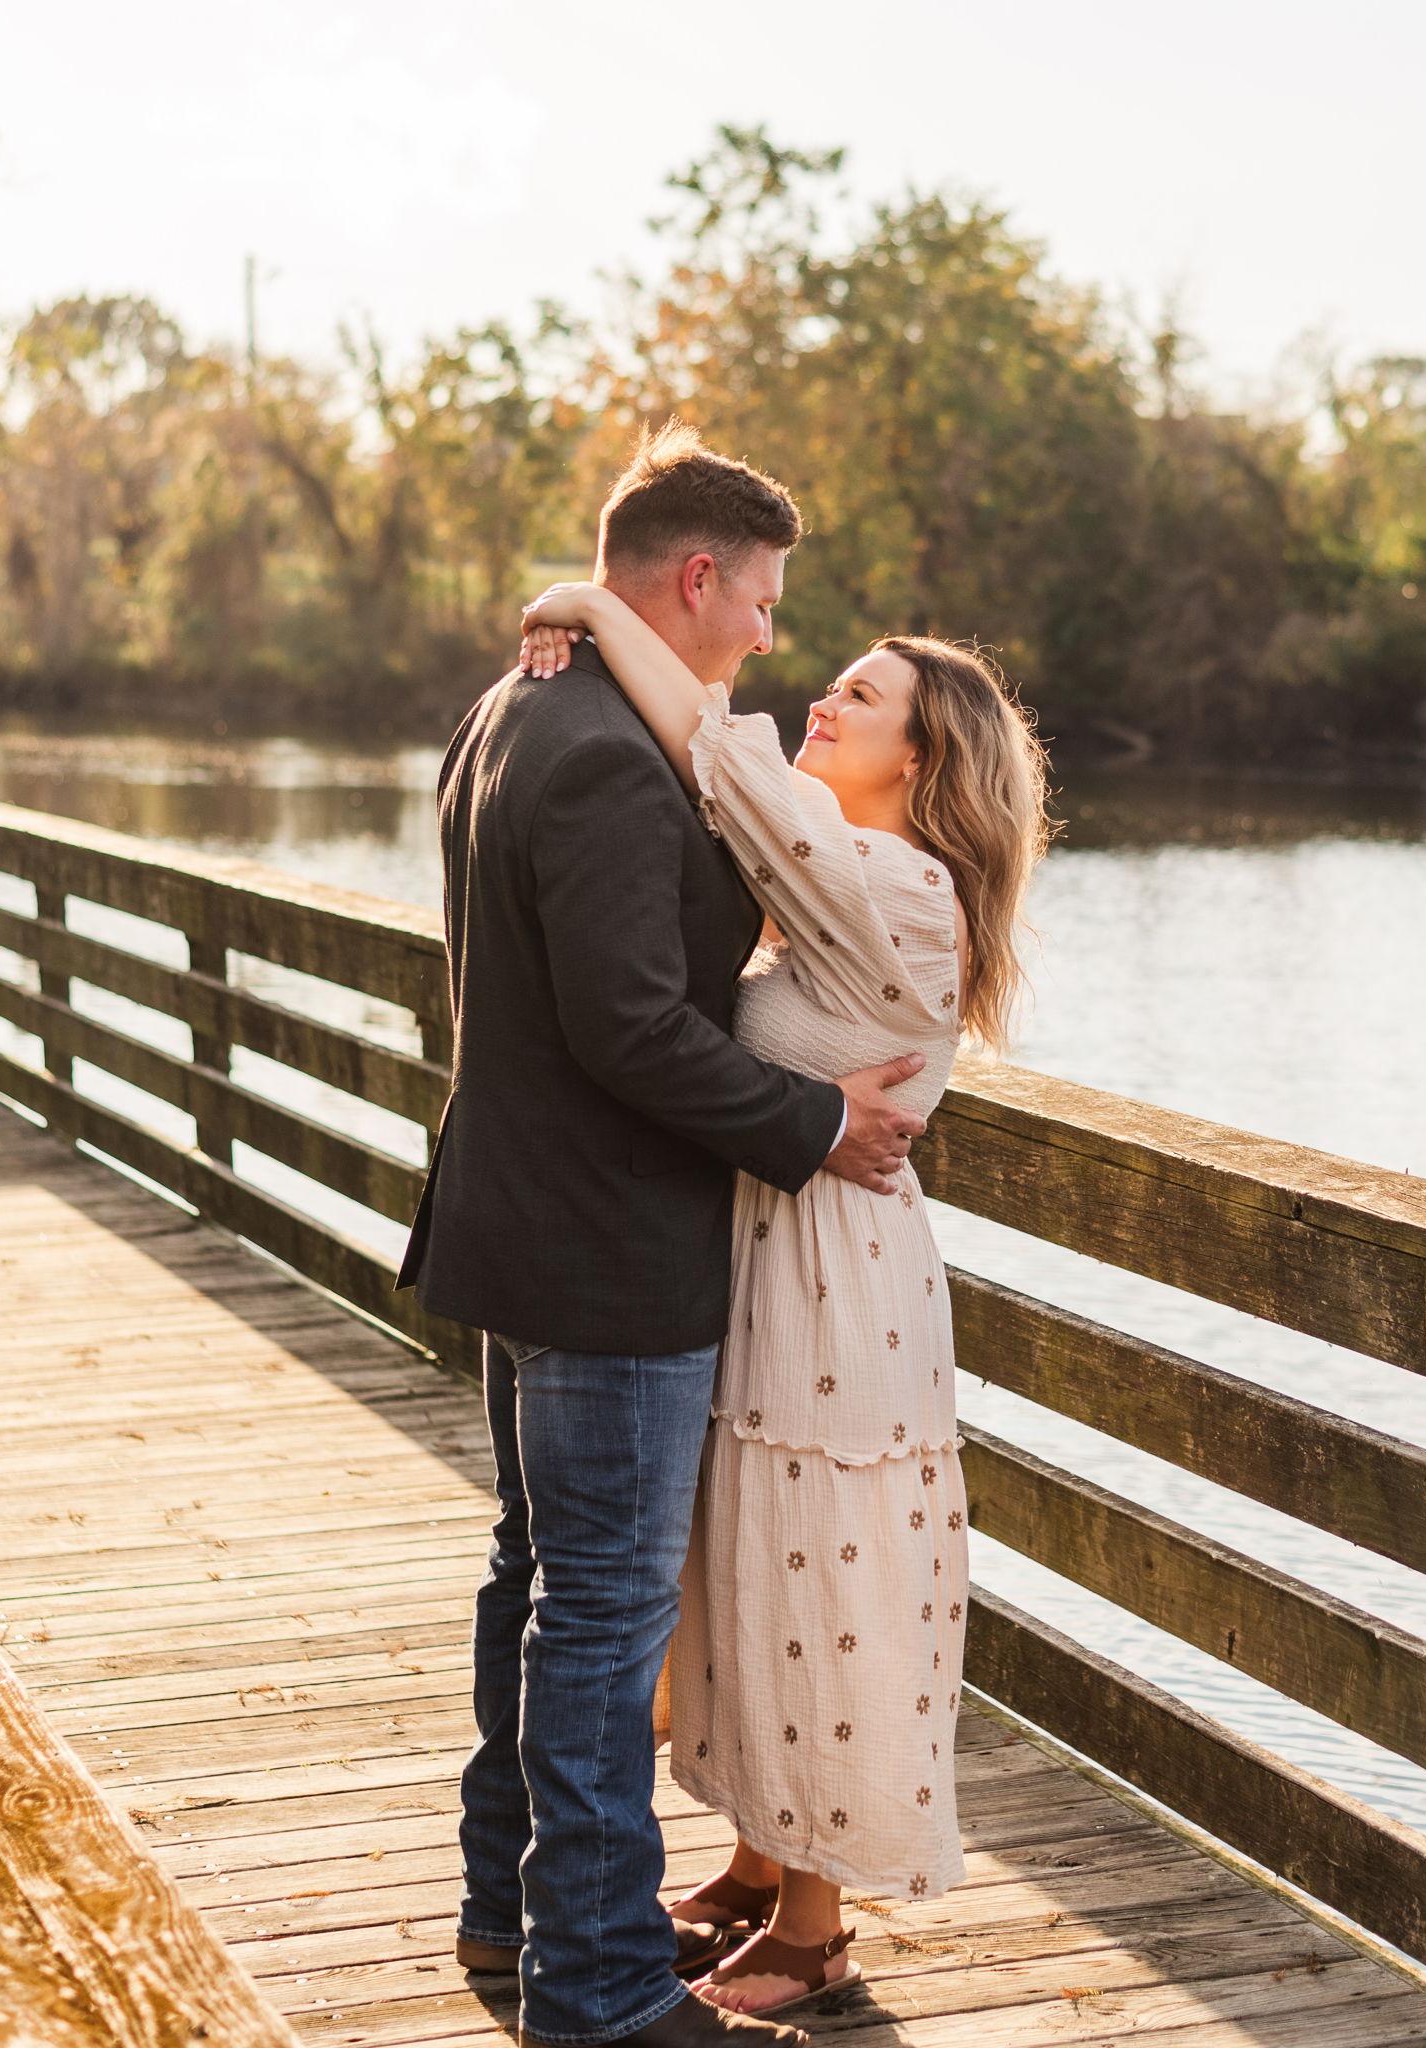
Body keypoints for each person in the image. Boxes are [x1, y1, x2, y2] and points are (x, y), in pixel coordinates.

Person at [397, 424, 930, 2048]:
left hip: (516, 1222)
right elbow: (636, 1028)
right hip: (611, 1253)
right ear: (696, 580)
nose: (772, 637)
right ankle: (606, 1993)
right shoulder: (617, 761)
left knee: (538, 1588)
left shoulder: (520, 708)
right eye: (764, 601)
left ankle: (511, 1919)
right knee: (603, 1618)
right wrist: (821, 1125)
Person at [515, 570, 1051, 2021]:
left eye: (861, 699)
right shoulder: (829, 888)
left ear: (922, 763)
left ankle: (815, 1931)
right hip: (777, 1257)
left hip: (839, 1287)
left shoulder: (901, 887)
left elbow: (718, 762)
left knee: (823, 1572)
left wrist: (586, 599)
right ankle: (760, 1868)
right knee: (758, 1569)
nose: (825, 696)